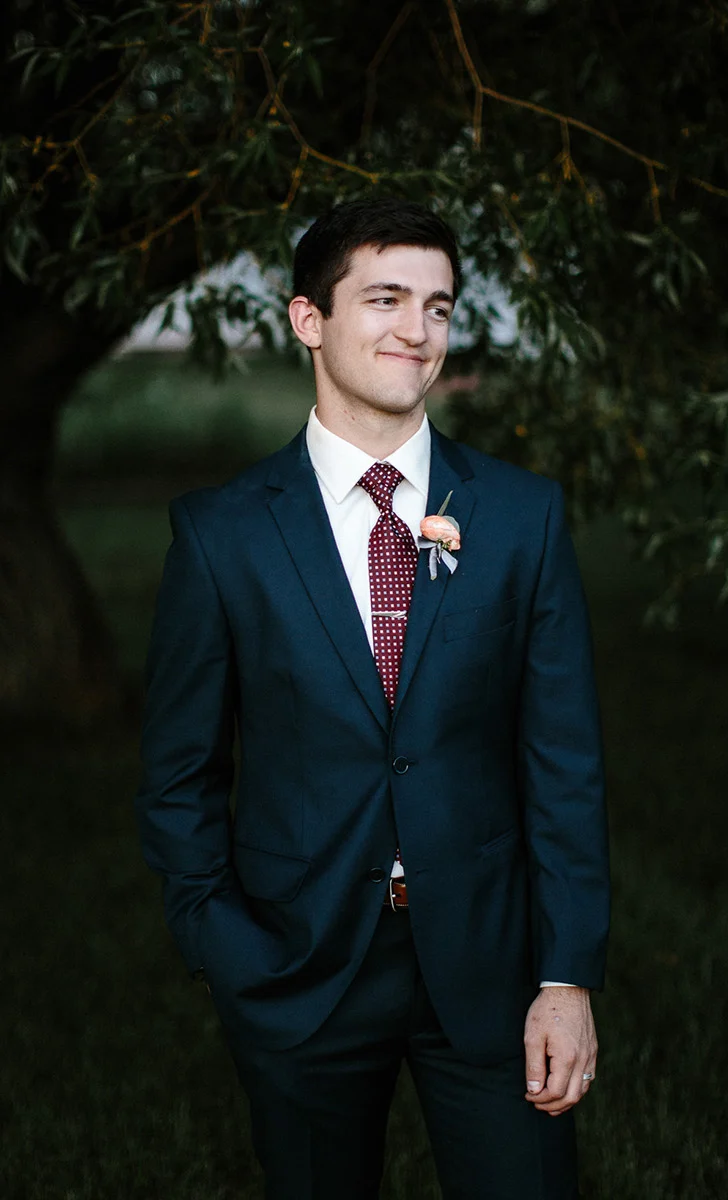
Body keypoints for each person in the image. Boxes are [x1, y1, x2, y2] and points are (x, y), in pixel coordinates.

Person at [134, 196, 610, 1199]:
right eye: (385, 299)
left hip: (489, 963)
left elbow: (562, 759)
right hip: (297, 963)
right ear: (309, 319)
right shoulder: (221, 536)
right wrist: (219, 942)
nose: (417, 331)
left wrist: (565, 978)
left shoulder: (521, 517)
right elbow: (179, 774)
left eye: (438, 307)